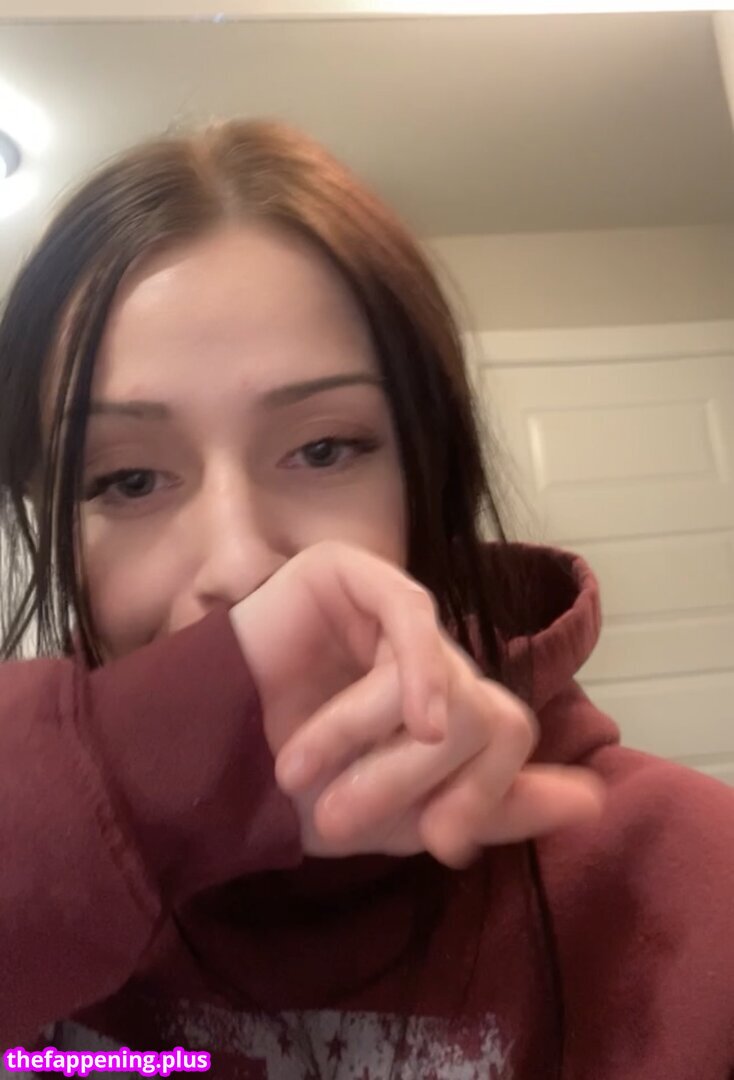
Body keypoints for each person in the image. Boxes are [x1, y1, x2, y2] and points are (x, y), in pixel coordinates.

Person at [0, 119, 731, 1080]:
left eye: (324, 449)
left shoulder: (692, 880)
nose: (240, 568)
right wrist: (109, 805)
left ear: (430, 482)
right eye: (127, 480)